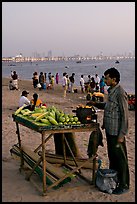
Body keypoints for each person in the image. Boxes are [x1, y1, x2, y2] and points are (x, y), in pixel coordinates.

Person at [87, 67, 130, 195]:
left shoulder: (120, 92)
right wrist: (94, 103)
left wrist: (122, 135)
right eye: (105, 78)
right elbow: (108, 106)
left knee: (121, 159)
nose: (105, 80)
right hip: (110, 131)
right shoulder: (111, 91)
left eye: (107, 78)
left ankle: (124, 184)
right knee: (113, 157)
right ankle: (115, 179)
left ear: (114, 79)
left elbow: (125, 115)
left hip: (117, 133)